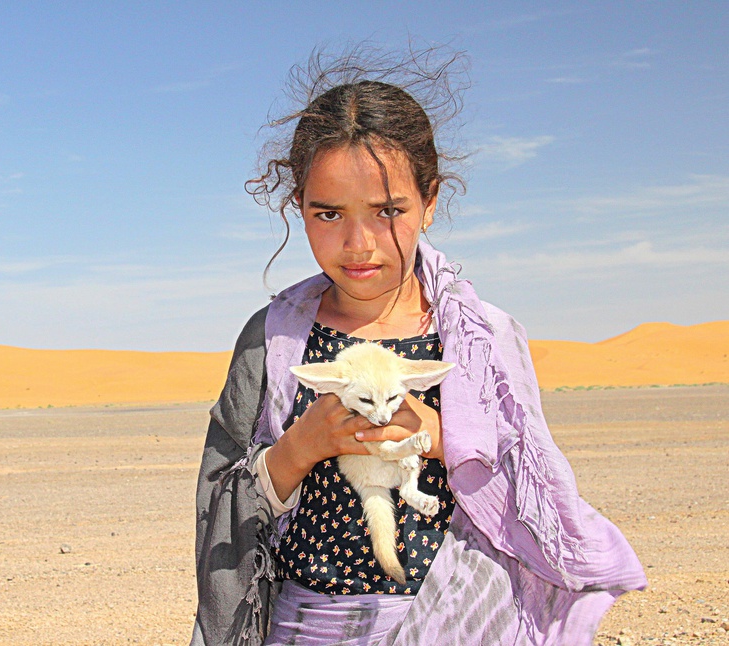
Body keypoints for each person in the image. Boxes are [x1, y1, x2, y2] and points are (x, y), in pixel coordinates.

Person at [191, 48, 645, 646]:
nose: (358, 243)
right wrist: (298, 449)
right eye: (327, 213)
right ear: (296, 205)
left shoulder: (484, 340)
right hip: (304, 625)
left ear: (429, 201)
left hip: (465, 620)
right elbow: (218, 502)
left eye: (387, 211)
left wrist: (441, 437)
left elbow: (540, 498)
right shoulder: (271, 340)